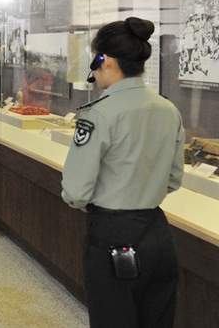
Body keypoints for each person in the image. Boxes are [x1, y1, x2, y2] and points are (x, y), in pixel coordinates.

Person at [61, 17, 184, 328]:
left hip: (112, 236)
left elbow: (75, 191)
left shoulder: (99, 114)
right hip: (158, 233)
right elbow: (173, 180)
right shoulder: (168, 110)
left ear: (106, 60)